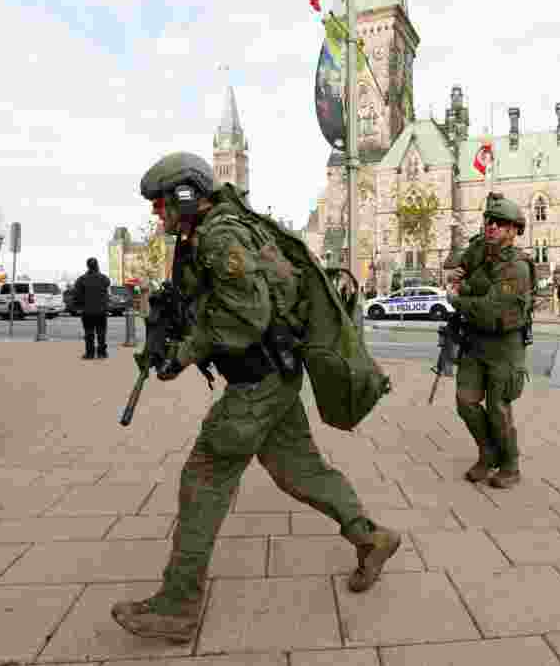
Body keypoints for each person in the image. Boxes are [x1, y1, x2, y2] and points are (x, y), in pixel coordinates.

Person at [111, 152, 400, 642]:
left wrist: (184, 354)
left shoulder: (220, 236)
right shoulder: (212, 232)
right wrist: (166, 342)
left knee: (204, 478)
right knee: (300, 469)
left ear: (185, 196)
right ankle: (371, 537)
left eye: (161, 205)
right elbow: (216, 304)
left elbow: (245, 316)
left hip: (257, 379)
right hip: (273, 377)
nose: (157, 215)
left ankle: (177, 606)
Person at [447, 193, 533, 488]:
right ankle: (488, 453)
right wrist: (461, 277)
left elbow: (491, 308)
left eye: (499, 223)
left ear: (513, 230)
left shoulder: (517, 267)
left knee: (498, 408)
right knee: (465, 402)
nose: (491, 226)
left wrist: (459, 297)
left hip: (504, 345)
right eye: (488, 221)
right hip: (474, 341)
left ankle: (510, 463)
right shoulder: (479, 249)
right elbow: (458, 269)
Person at [71, 258, 111, 359]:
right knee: (101, 333)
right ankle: (102, 353)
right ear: (97, 265)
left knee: (89, 333)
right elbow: (107, 285)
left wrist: (77, 307)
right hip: (101, 311)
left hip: (87, 311)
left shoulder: (81, 279)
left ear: (87, 266)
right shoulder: (103, 278)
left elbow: (76, 295)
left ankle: (90, 353)